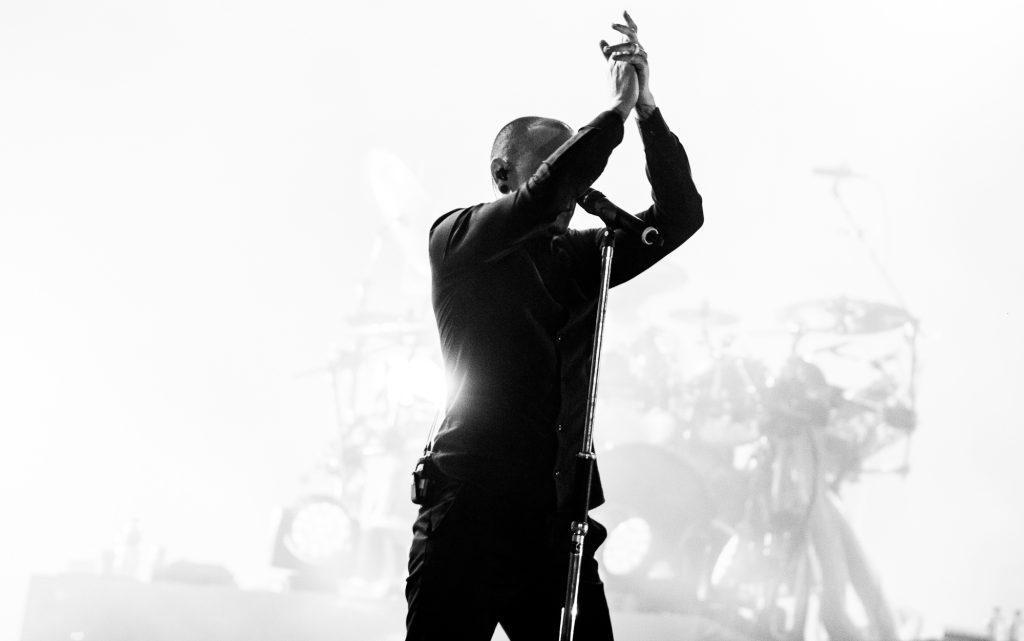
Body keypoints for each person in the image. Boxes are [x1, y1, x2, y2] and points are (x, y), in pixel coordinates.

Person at [405, 12, 704, 640]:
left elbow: (680, 217)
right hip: (468, 509)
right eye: (555, 166)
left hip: (554, 518)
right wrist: (613, 113)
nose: (573, 186)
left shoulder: (582, 258)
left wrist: (647, 113)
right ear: (503, 175)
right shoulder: (456, 239)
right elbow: (546, 194)